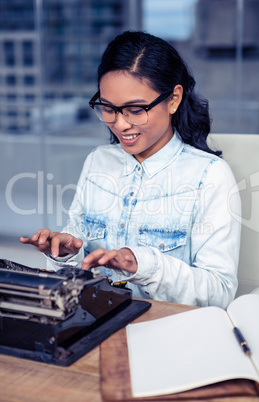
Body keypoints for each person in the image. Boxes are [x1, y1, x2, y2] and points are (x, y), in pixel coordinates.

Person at [20, 31, 241, 308]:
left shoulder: (210, 176)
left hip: (167, 330)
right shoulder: (98, 161)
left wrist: (143, 266)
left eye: (135, 110)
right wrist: (65, 253)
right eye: (108, 108)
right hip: (93, 323)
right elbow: (75, 270)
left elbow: (218, 293)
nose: (120, 124)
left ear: (173, 99)